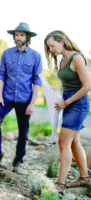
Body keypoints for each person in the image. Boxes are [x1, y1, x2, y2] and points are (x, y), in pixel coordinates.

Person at [0, 22, 43, 174]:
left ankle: (18, 163)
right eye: (16, 35)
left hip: (25, 99)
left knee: (24, 132)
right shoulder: (6, 53)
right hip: (7, 96)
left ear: (27, 37)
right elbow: (1, 75)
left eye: (21, 35)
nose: (18, 37)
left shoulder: (36, 56)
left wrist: (32, 103)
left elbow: (37, 81)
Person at [44, 30, 91, 192]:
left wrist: (66, 102)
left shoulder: (76, 57)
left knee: (63, 141)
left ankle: (60, 183)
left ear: (62, 41)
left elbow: (88, 86)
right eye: (49, 47)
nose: (51, 50)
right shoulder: (63, 60)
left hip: (78, 104)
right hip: (69, 102)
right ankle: (84, 177)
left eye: (52, 45)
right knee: (74, 141)